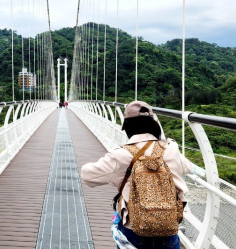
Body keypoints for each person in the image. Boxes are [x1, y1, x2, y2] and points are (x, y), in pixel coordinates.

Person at [80, 101, 193, 249]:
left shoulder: (120, 155)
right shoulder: (171, 149)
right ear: (153, 124)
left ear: (127, 127)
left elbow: (87, 176)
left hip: (134, 230)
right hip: (168, 229)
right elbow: (187, 167)